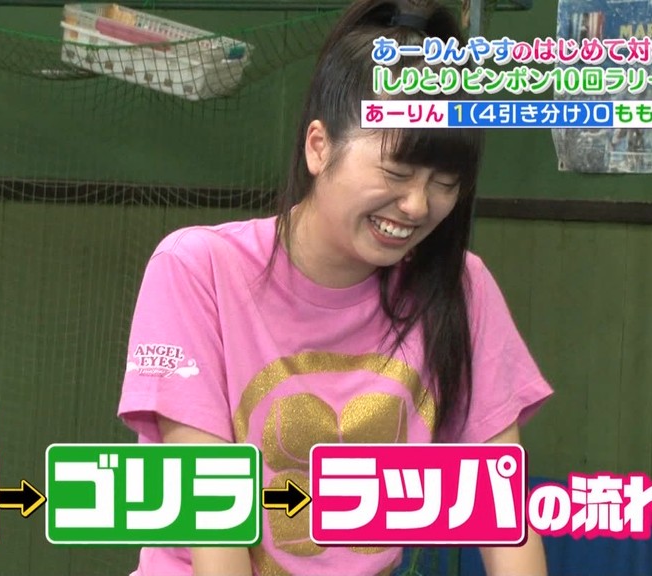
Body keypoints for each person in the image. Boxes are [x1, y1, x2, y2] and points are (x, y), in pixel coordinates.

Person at [117, 0, 554, 574]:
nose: (417, 205)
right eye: (396, 173)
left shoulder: (460, 286)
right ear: (319, 147)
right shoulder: (196, 269)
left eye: (444, 183)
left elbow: (503, 512)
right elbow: (209, 516)